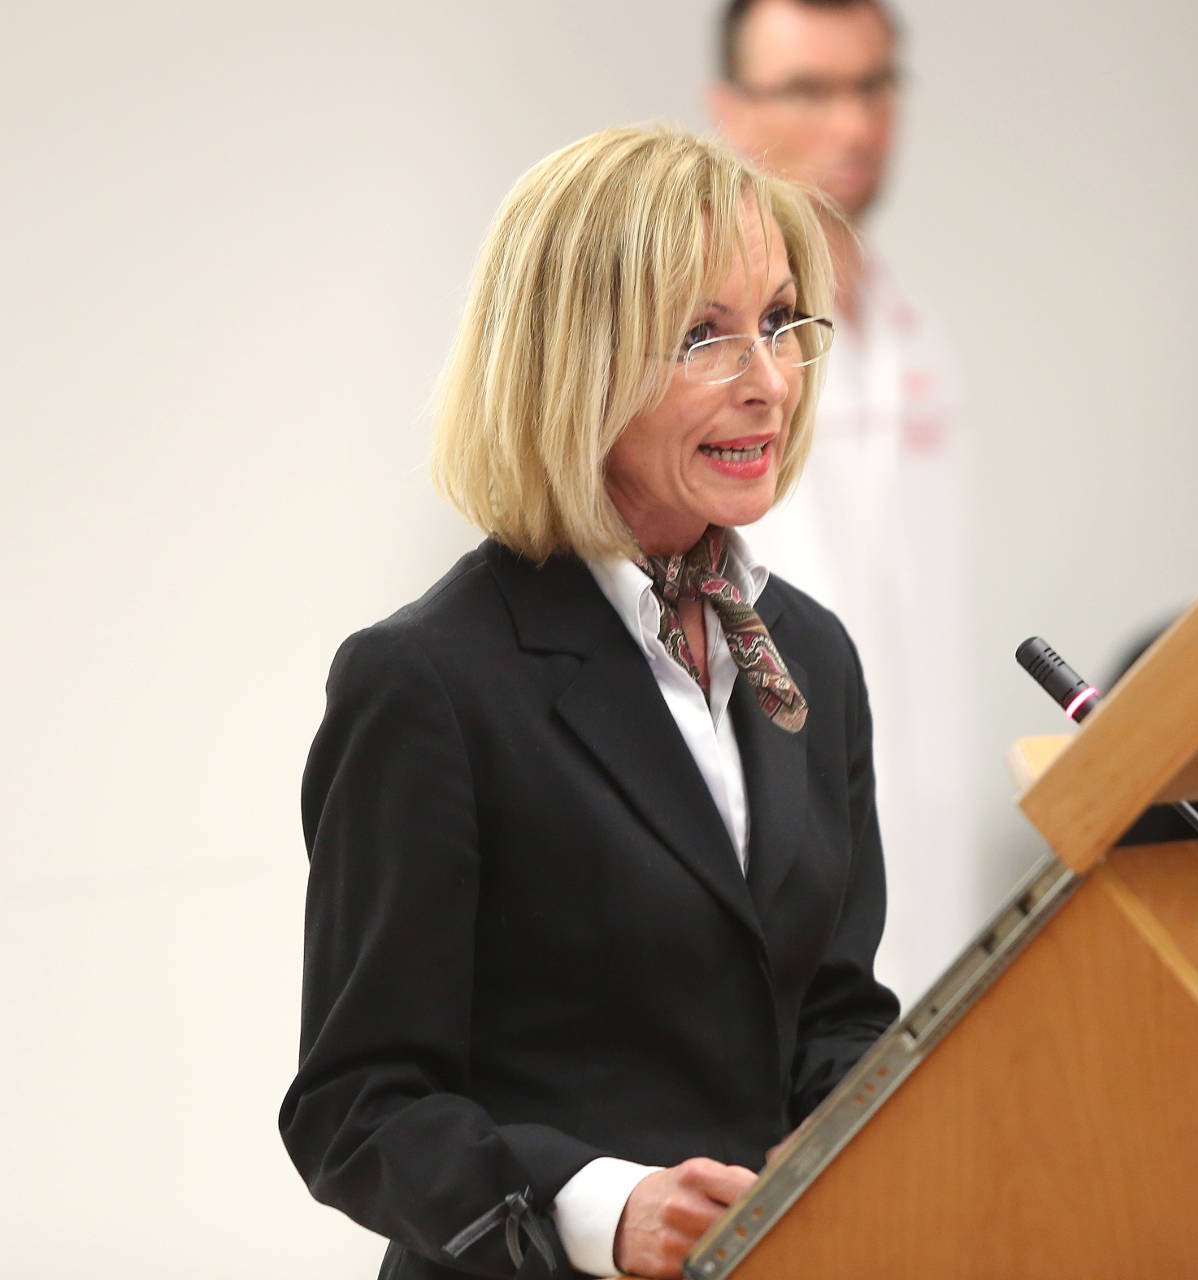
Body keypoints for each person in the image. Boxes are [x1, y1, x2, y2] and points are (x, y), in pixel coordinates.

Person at [279, 126, 898, 1280]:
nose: (766, 377)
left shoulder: (808, 652)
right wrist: (602, 1208)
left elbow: (833, 1007)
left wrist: (856, 1130)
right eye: (701, 335)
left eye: (778, 322)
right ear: (575, 360)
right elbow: (356, 1106)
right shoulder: (426, 682)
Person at [710, 0, 980, 1003]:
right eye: (810, 90)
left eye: (872, 84)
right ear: (730, 110)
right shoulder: (700, 359)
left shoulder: (916, 340)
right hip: (768, 892)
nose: (855, 125)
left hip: (927, 866)